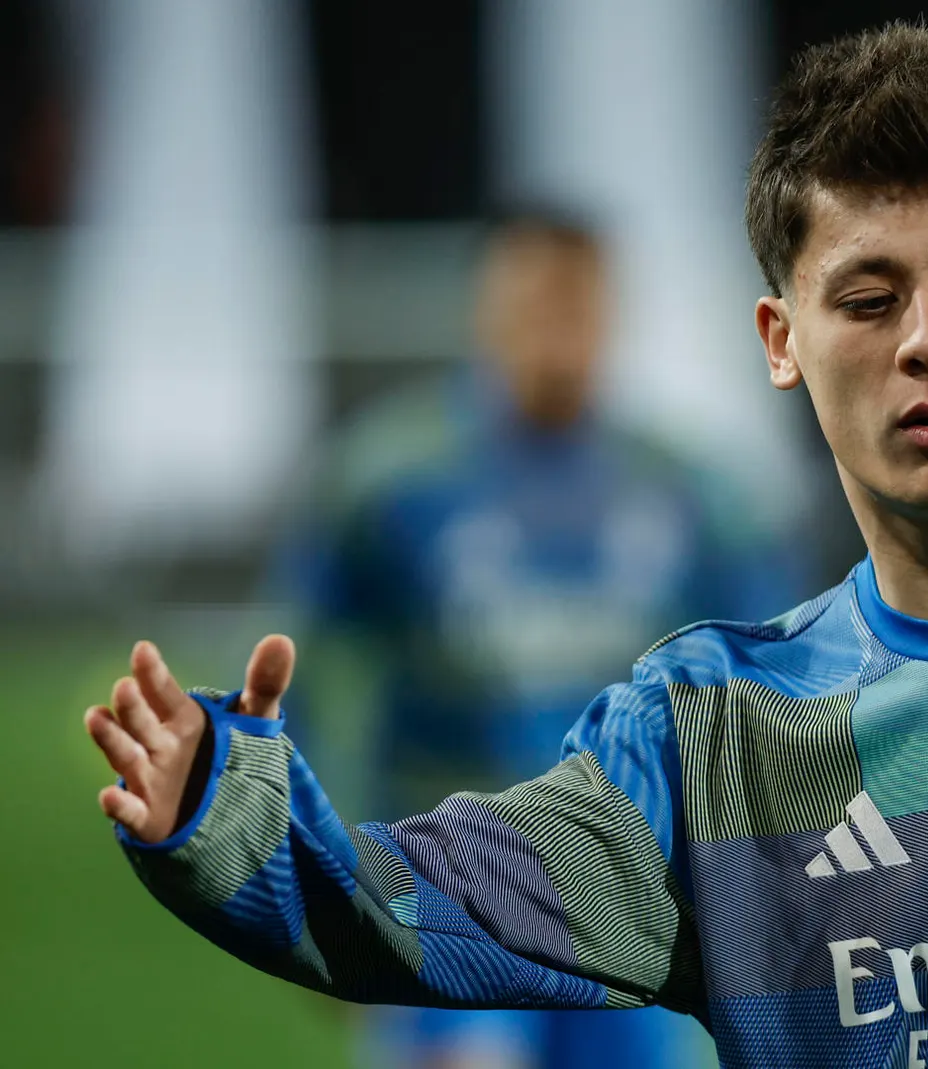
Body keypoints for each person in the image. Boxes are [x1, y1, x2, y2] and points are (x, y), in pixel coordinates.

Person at [81, 24, 928, 1069]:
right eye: (869, 297)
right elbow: (412, 911)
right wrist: (225, 807)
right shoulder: (714, 737)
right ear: (778, 341)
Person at [277, 209, 767, 1069]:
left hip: (625, 907)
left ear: (613, 314)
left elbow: (772, 693)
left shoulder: (689, 491)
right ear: (486, 311)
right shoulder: (391, 477)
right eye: (533, 303)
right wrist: (313, 873)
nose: (556, 330)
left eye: (576, 305)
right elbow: (292, 674)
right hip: (445, 901)